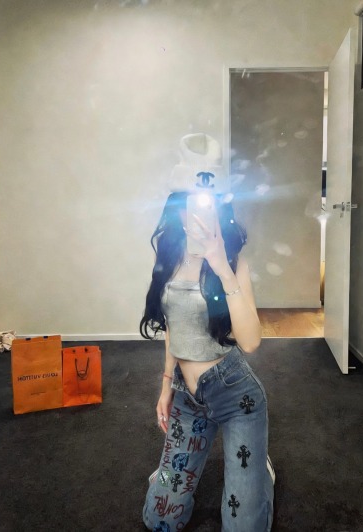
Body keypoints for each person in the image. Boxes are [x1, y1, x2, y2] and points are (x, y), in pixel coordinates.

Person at [140, 191, 274, 531]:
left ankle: (260, 473)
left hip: (236, 396)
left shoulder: (233, 262)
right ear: (177, 212)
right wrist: (166, 386)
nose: (197, 215)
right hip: (188, 398)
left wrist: (222, 268)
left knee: (243, 527)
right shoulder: (168, 256)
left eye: (206, 206)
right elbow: (173, 327)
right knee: (159, 521)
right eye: (188, 206)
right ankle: (170, 471)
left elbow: (250, 342)